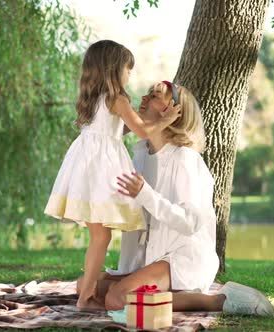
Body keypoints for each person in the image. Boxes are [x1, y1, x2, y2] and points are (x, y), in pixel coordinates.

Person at [79, 81, 274, 315]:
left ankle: (216, 301)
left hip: (181, 257)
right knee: (84, 286)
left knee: (118, 299)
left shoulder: (185, 159)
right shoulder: (140, 156)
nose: (143, 98)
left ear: (174, 111)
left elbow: (190, 222)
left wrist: (145, 194)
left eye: (154, 95)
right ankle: (157, 297)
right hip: (150, 261)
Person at [44, 40, 181, 309]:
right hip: (100, 170)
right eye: (127, 70)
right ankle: (85, 299)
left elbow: (122, 130)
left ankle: (88, 291)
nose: (129, 76)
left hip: (86, 167)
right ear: (114, 70)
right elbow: (141, 131)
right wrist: (166, 120)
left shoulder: (95, 98)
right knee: (101, 236)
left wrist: (148, 123)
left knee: (100, 235)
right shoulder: (117, 99)